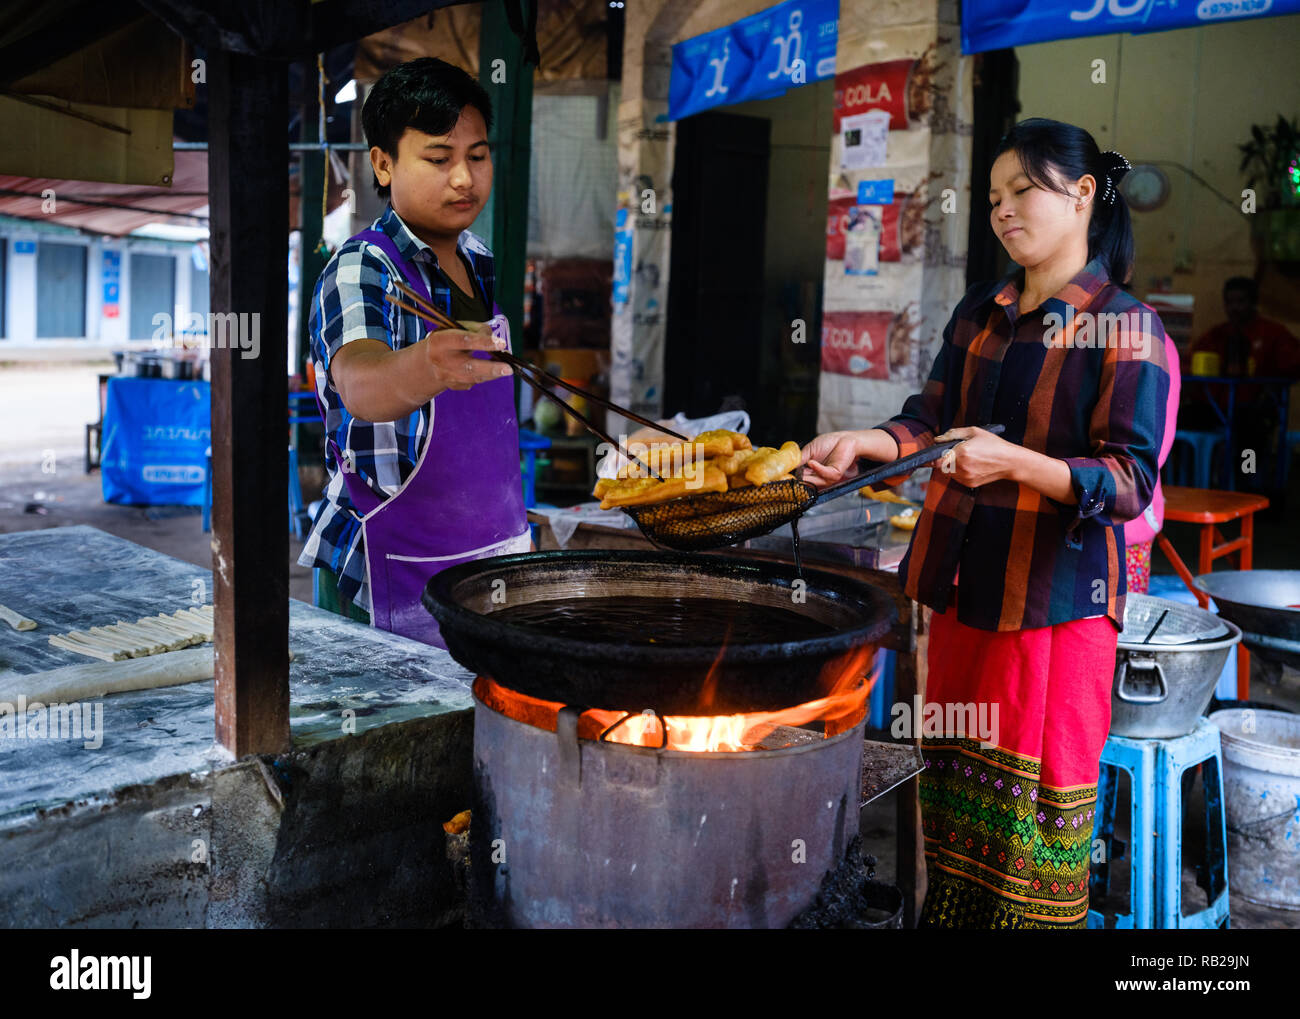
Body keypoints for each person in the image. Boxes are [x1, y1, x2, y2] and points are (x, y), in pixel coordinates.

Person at [803, 118, 1172, 928]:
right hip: (963, 591)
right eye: (995, 196)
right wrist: (863, 443)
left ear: (1081, 195)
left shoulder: (1125, 324)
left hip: (1055, 607)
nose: (1003, 210)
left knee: (1033, 837)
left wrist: (1011, 462)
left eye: (1023, 191)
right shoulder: (983, 309)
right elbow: (929, 420)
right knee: (957, 817)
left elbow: (1130, 482)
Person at [298, 58, 530, 647]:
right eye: (438, 158)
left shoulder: (480, 261)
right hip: (387, 569)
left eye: (477, 156)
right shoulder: (363, 267)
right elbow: (360, 381)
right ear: (382, 163)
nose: (464, 178)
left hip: (485, 560)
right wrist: (424, 364)